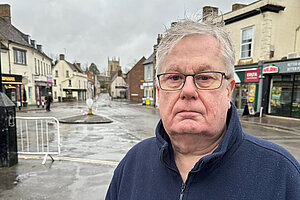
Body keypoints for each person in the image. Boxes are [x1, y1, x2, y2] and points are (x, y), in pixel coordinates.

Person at [105, 19, 300, 199]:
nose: (188, 90)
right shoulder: (133, 164)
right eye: (174, 78)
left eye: (205, 77)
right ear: (158, 92)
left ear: (228, 90)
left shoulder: (281, 174)